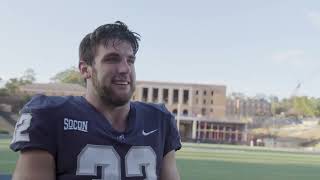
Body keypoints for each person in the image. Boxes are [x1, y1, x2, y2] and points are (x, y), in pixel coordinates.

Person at [10, 21, 181, 180]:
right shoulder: (50, 115)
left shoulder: (159, 120)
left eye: (130, 60)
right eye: (112, 59)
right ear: (85, 70)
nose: (125, 68)